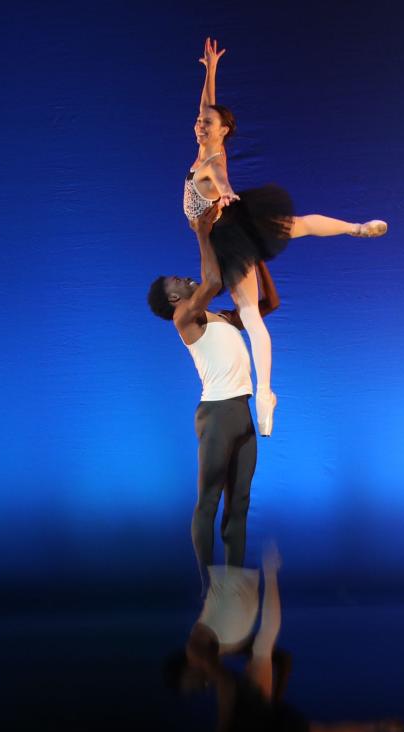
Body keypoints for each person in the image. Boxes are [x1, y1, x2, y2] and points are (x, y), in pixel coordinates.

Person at [185, 37, 389, 436]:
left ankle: (265, 394)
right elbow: (206, 106)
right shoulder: (207, 142)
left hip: (228, 230)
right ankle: (265, 394)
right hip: (231, 228)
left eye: (207, 123)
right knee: (296, 229)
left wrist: (225, 190)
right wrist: (210, 71)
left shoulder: (212, 160)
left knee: (250, 309)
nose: (199, 125)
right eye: (198, 121)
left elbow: (220, 177)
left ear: (223, 130)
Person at [165, 544, 404, 732]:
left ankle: (377, 729)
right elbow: (252, 667)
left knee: (310, 729)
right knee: (306, 724)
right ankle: (377, 729)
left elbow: (266, 662)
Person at [146, 206, 278, 595]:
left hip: (241, 414)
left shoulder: (217, 316)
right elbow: (212, 277)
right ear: (174, 296)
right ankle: (208, 586)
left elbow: (267, 306)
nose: (188, 280)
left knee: (238, 505)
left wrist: (257, 258)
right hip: (217, 415)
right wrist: (202, 232)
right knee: (207, 503)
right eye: (180, 280)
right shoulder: (185, 317)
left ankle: (232, 585)